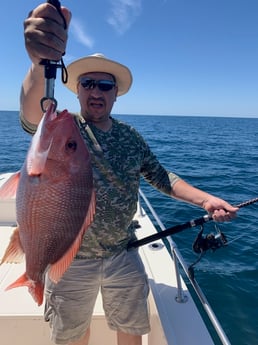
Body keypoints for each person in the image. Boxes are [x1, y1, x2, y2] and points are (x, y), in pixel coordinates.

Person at [20, 3, 238, 345]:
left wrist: (206, 200)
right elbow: (33, 111)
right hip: (70, 259)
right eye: (88, 84)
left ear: (115, 94)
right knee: (71, 336)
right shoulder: (63, 130)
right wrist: (37, 65)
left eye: (105, 86)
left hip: (123, 251)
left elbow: (162, 177)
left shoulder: (130, 137)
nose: (96, 91)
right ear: (76, 89)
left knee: (133, 330)